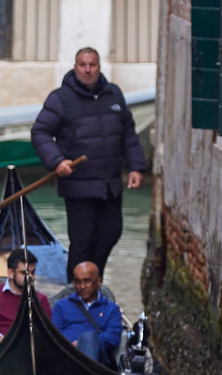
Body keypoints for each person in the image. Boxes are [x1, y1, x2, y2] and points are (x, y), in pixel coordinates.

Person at [32, 47, 147, 283]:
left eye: (92, 65)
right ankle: (76, 289)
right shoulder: (60, 98)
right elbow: (40, 132)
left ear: (99, 67)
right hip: (78, 185)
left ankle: (92, 280)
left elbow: (128, 133)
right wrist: (57, 161)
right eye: (83, 65)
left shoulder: (114, 94)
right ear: (75, 67)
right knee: (82, 240)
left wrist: (136, 166)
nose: (87, 70)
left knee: (111, 232)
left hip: (110, 183)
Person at [0, 247, 51, 347]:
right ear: (10, 273)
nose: (31, 277)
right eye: (25, 273)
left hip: (27, 349)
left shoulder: (40, 300)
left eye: (33, 272)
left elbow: (47, 331)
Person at [51, 261, 124, 367]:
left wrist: (83, 343)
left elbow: (113, 337)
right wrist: (71, 346)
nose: (82, 286)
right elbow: (55, 335)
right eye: (78, 282)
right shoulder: (61, 306)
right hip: (67, 353)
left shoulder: (111, 309)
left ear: (98, 281)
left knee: (88, 337)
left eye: (87, 281)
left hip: (99, 359)